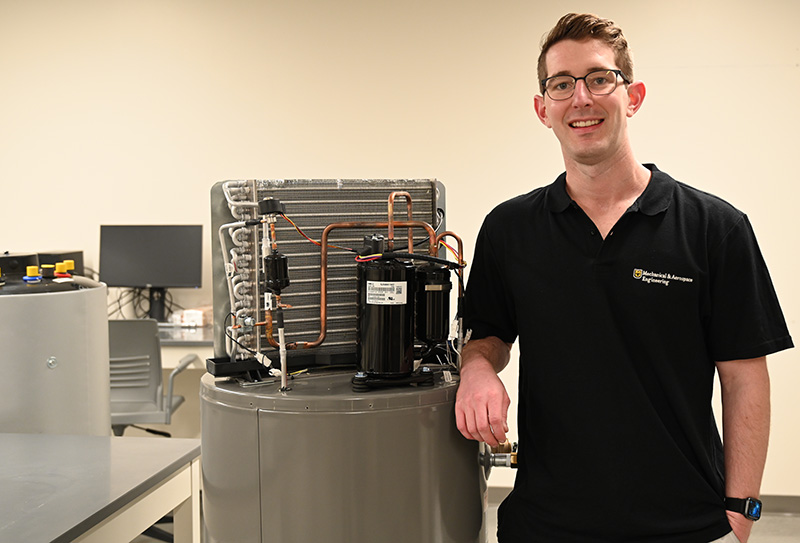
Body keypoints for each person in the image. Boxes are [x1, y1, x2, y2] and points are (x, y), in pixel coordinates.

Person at [455, 12, 793, 543]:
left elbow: (745, 376)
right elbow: (486, 335)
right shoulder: (509, 230)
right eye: (561, 84)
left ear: (632, 97)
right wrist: (477, 370)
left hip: (687, 524)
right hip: (547, 524)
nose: (581, 98)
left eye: (599, 78)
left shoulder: (714, 228)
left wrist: (742, 510)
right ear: (543, 110)